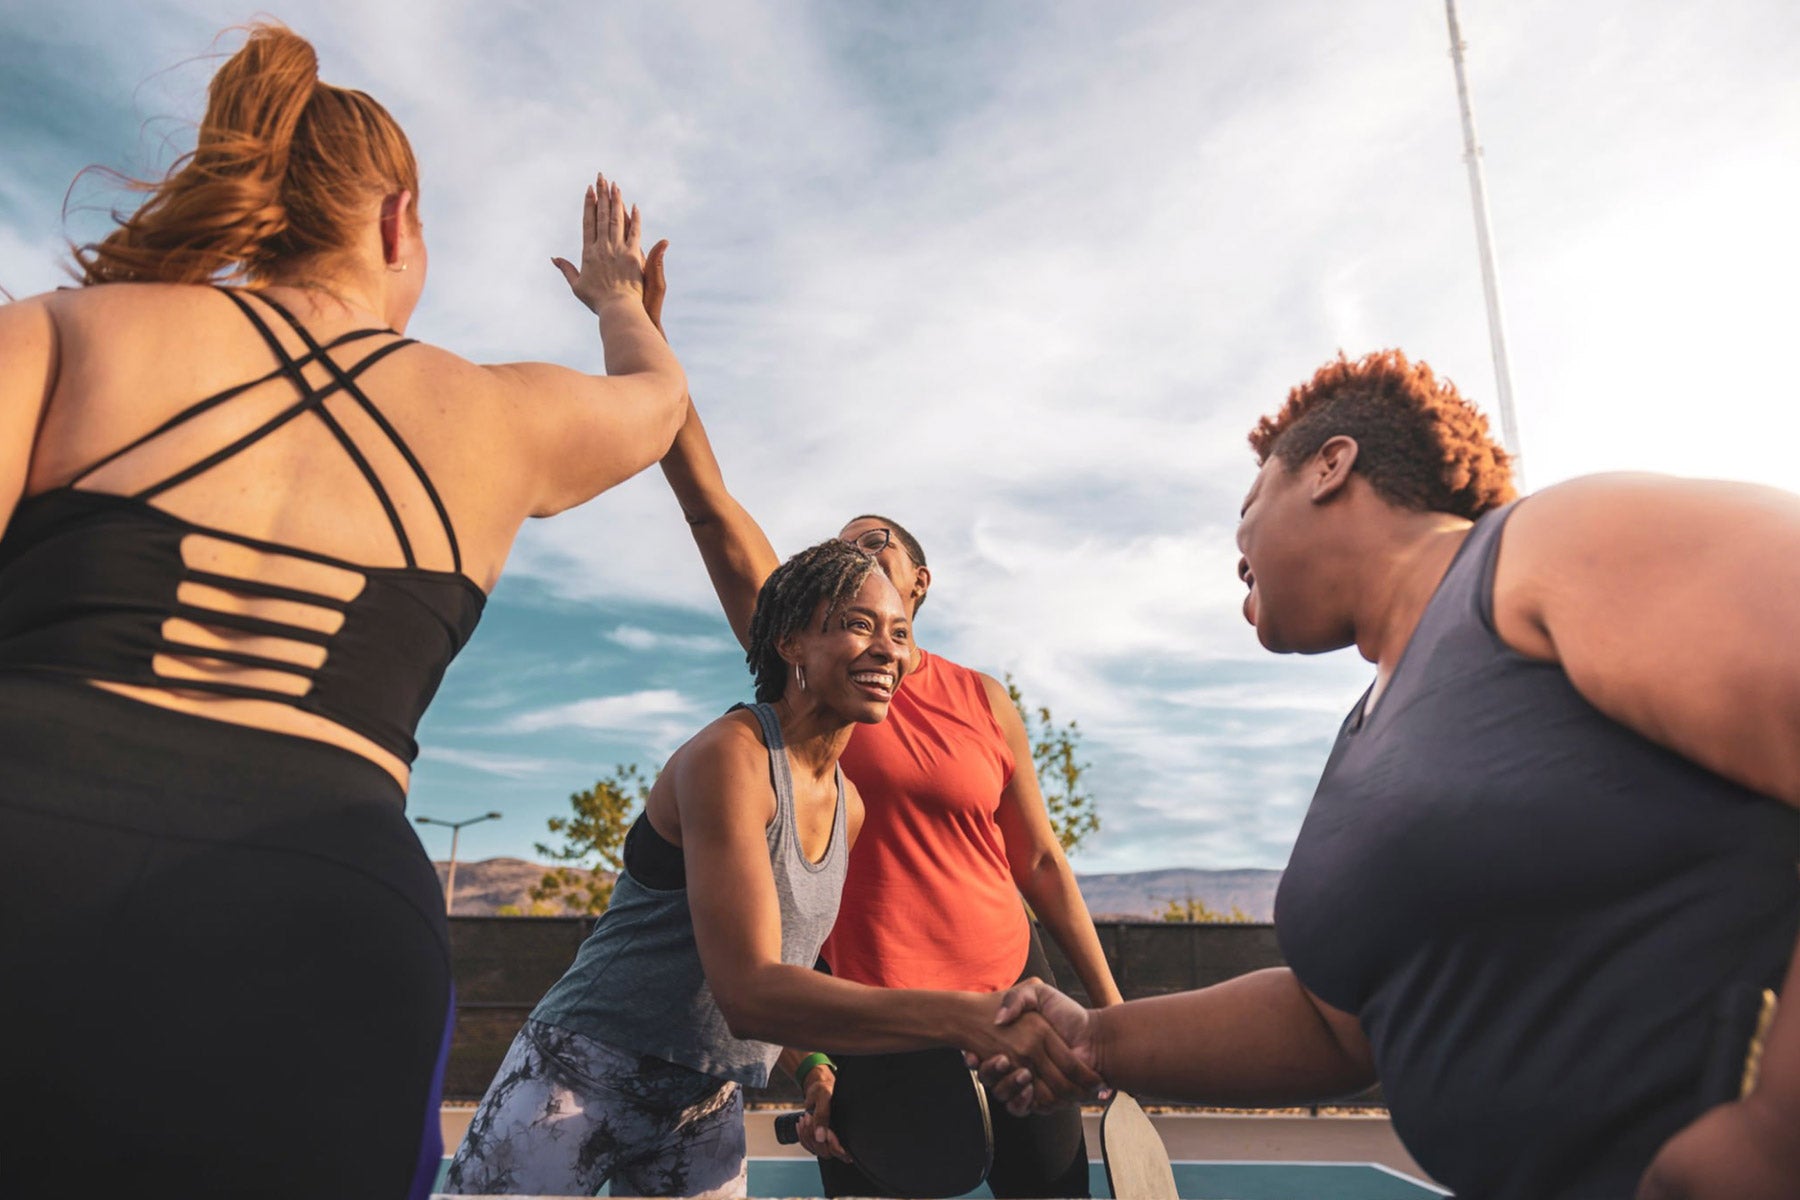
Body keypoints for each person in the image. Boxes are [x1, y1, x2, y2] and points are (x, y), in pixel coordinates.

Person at [0, 24, 689, 1199]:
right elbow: (656, 398)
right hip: (330, 908)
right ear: (396, 220)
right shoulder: (494, 417)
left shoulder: (64, 334)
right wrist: (621, 298)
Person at [980, 349, 1800, 1200]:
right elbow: (1334, 1026)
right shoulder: (1368, 731)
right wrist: (1097, 1040)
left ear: (1330, 466)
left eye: (1249, 508)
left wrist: (1774, 1134)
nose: (1239, 550)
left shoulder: (1543, 546)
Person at [644, 243, 1123, 1197]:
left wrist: (1114, 1020)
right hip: (878, 1020)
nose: (852, 561)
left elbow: (1038, 860)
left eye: (873, 547)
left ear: (919, 583)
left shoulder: (983, 698)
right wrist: (652, 348)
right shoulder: (820, 674)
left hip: (1011, 994)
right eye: (837, 558)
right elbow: (711, 508)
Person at [445, 539, 1095, 1197]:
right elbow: (750, 991)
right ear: (790, 643)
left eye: (899, 633)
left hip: (703, 1103)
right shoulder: (730, 758)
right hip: (580, 1074)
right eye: (858, 624)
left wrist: (813, 1069)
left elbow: (789, 964)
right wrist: (971, 1017)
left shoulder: (849, 807)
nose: (887, 650)